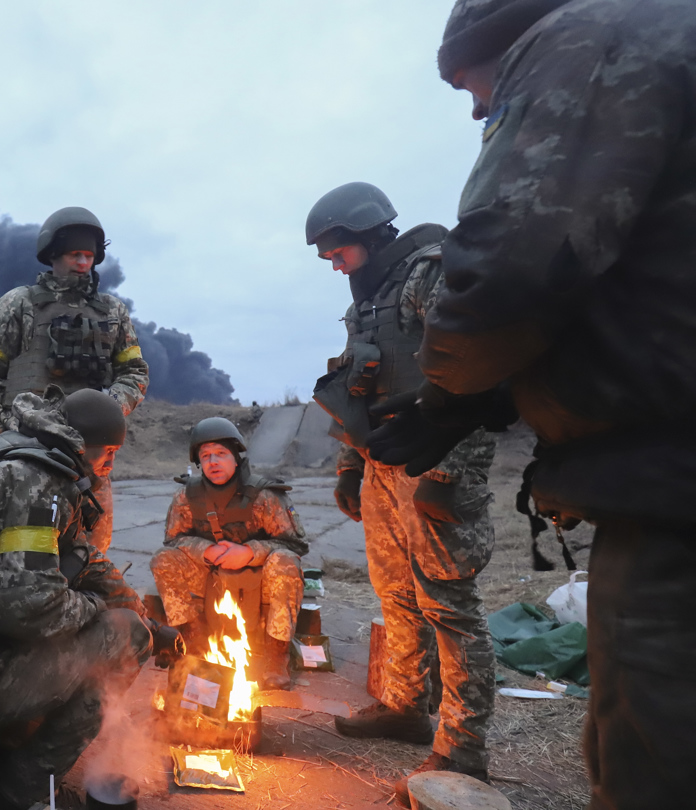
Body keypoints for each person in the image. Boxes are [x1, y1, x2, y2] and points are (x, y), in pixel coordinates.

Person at [365, 2, 696, 807]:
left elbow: (512, 260)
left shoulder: (584, 37)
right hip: (667, 470)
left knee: (655, 760)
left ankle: (459, 747)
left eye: (465, 82)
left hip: (676, 489)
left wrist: (455, 395)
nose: (478, 106)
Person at [0, 388, 180, 810]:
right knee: (126, 639)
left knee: (122, 622)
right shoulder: (38, 483)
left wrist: (135, 605)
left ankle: (11, 752)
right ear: (83, 445)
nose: (112, 463)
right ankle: (20, 789)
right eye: (108, 451)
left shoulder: (24, 451)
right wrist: (113, 614)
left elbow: (80, 554)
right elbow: (25, 609)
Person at [306, 182, 497, 804]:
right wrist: (348, 465)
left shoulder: (428, 276)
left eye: (339, 252)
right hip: (383, 466)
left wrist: (447, 475)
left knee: (449, 602)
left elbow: (470, 377)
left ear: (369, 235)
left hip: (433, 462)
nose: (333, 265)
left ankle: (463, 744)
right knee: (395, 593)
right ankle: (404, 706)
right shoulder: (368, 303)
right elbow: (353, 390)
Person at [0, 207, 149, 553]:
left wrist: (108, 409)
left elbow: (135, 372)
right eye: (74, 254)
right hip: (26, 447)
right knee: (20, 549)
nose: (82, 262)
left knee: (90, 555)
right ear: (53, 254)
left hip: (89, 457)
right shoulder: (19, 304)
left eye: (89, 255)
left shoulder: (112, 312)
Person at [149, 417, 307, 690]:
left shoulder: (265, 496)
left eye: (221, 454)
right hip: (209, 574)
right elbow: (173, 541)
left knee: (286, 562)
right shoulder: (186, 497)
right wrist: (204, 549)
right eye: (206, 456)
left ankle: (275, 656)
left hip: (259, 578)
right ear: (199, 462)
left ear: (236, 458)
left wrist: (249, 552)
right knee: (163, 561)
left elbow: (295, 546)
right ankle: (194, 644)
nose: (213, 462)